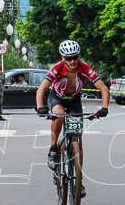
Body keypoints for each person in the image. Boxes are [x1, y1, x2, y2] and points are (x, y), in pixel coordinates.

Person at [35, 40, 110, 195]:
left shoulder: (84, 68)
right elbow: (42, 88)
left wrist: (104, 108)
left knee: (78, 139)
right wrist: (40, 107)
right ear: (62, 58)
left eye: (75, 57)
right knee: (60, 115)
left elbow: (103, 88)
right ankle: (54, 147)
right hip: (57, 97)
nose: (72, 61)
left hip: (74, 99)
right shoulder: (57, 68)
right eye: (68, 58)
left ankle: (78, 181)